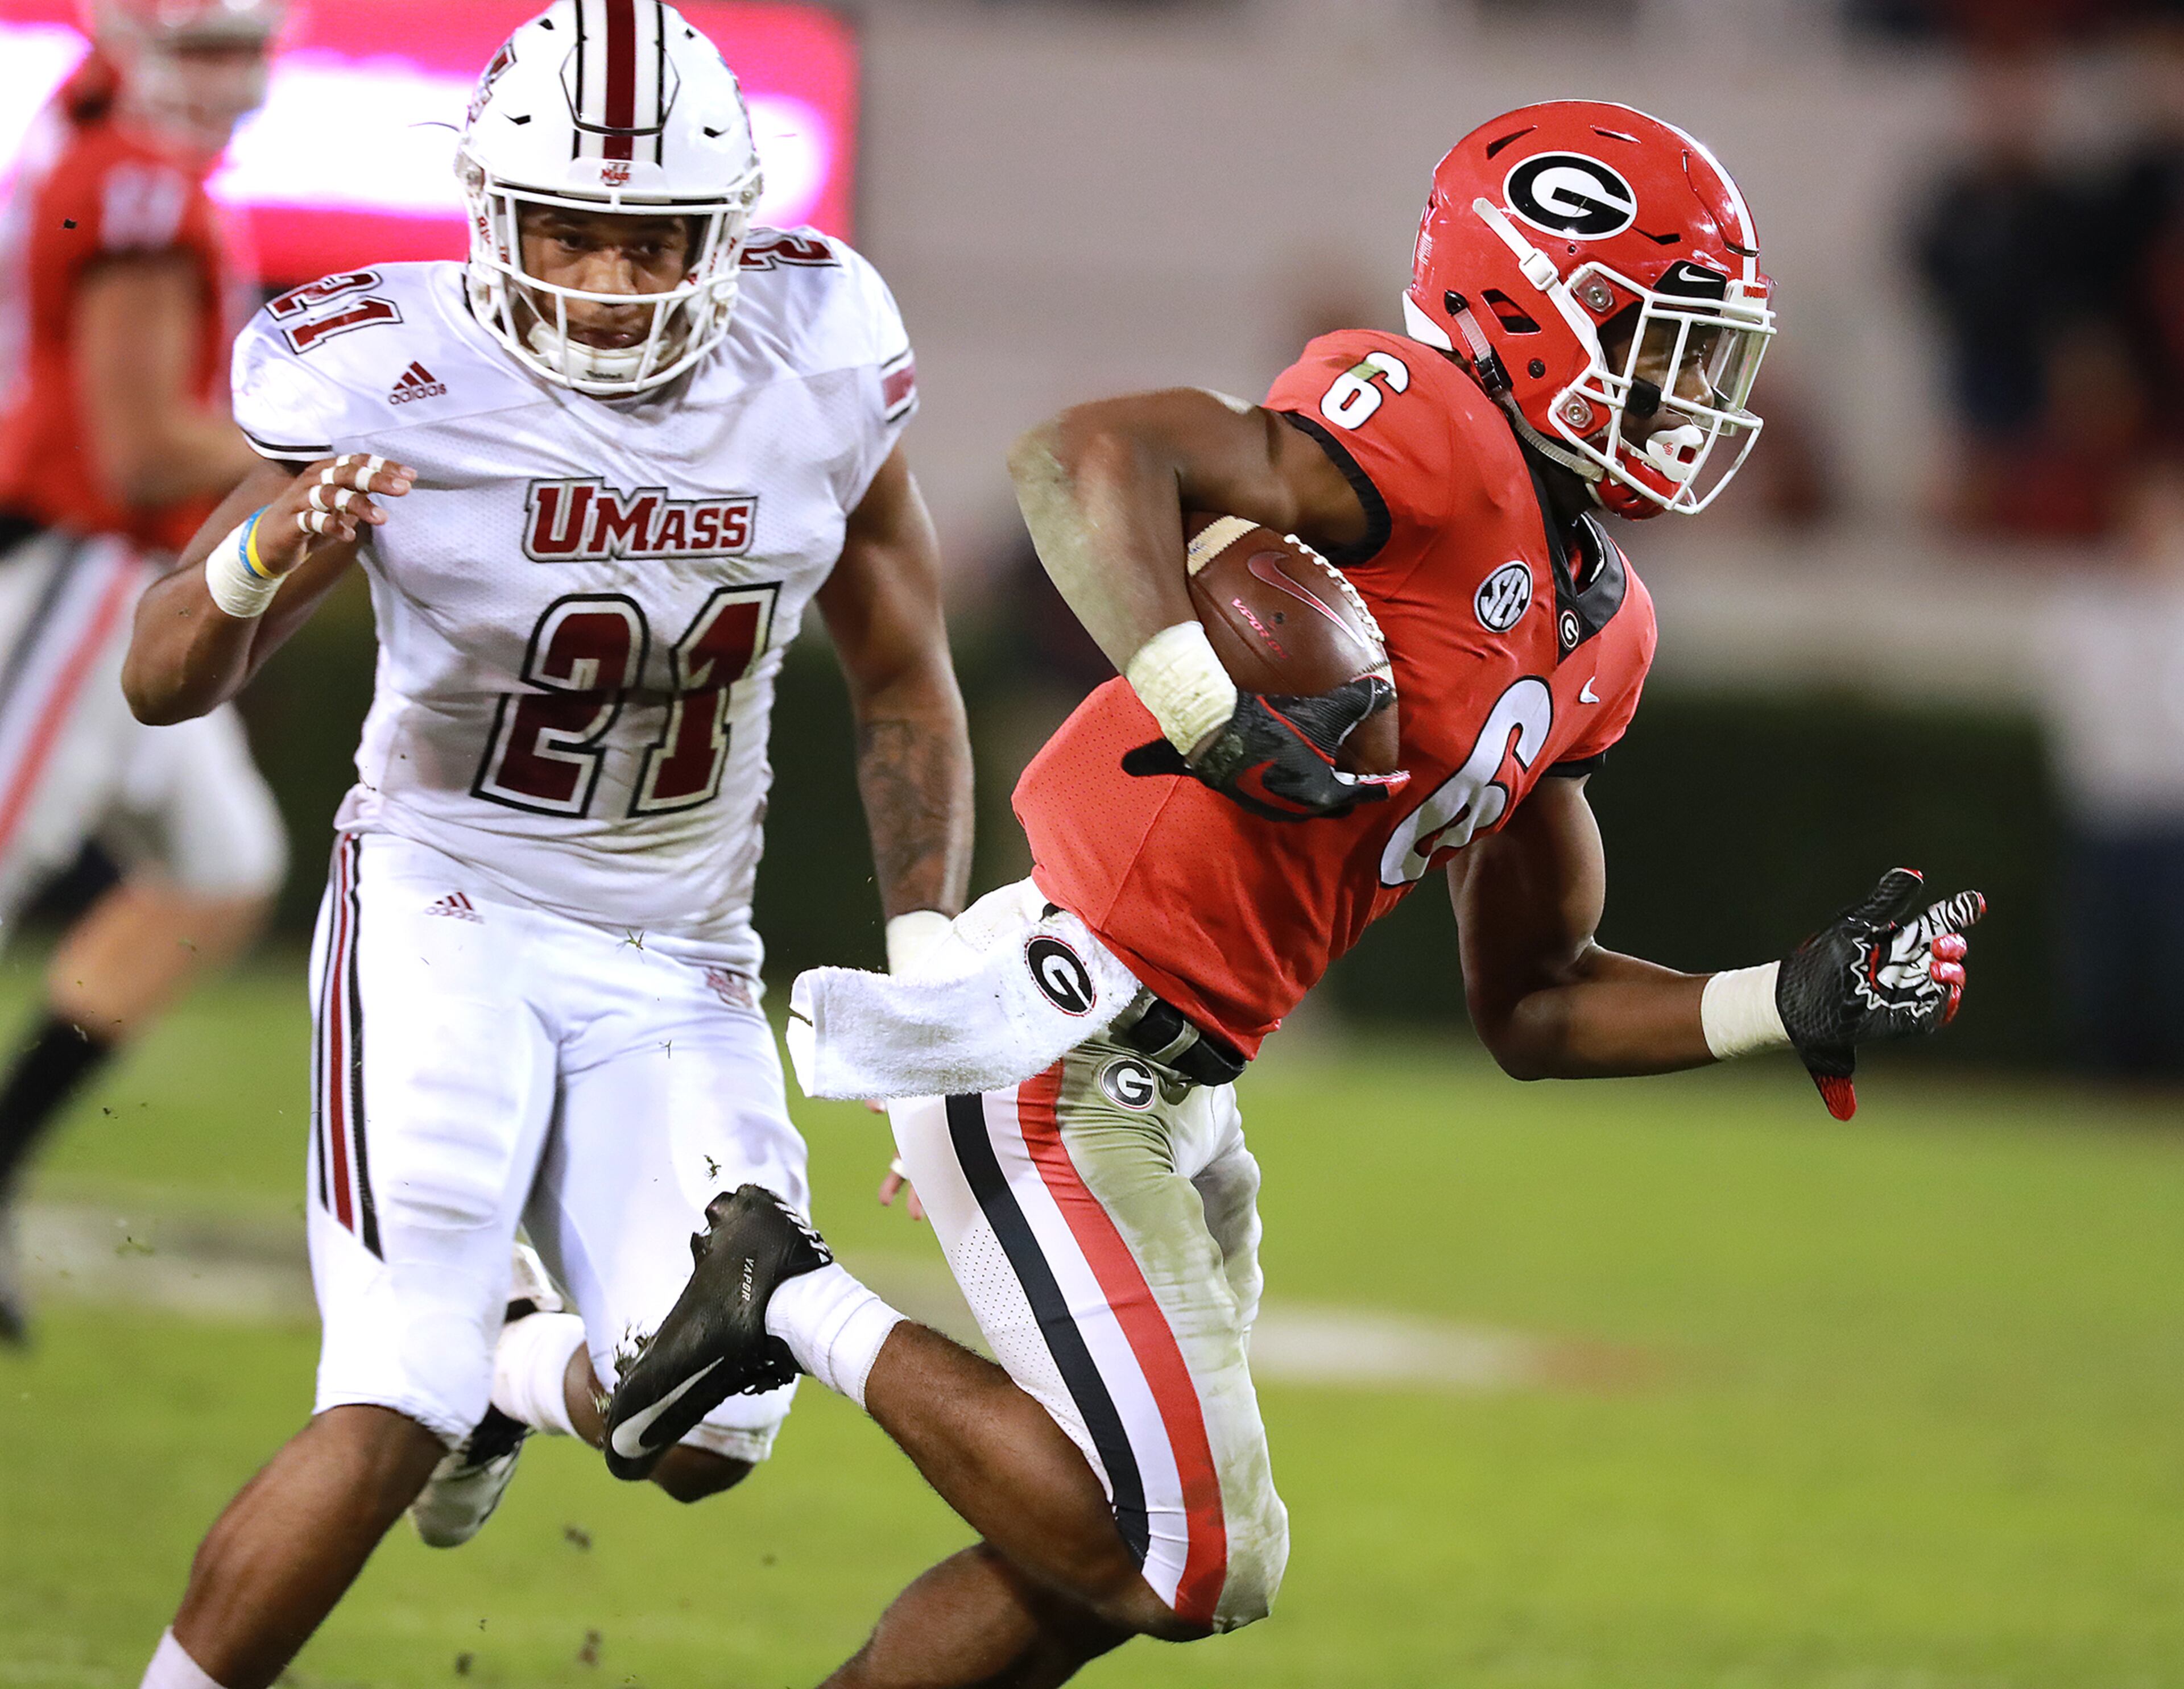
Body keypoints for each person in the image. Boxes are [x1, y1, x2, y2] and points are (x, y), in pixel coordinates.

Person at [606, 101, 1987, 1686]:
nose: (1688, 396)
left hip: (1187, 1086)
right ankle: (781, 1289)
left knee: (1084, 1561)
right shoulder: (1425, 426)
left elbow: (1535, 999)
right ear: (1527, 315)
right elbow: (1083, 453)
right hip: (1063, 1037)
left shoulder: (1604, 632)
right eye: (1657, 344)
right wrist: (1198, 694)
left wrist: (1783, 997)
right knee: (1191, 1552)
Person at [117, 3, 971, 1686]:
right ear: (488, 217)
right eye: (567, 231)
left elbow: (907, 680)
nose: (606, 279)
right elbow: (161, 676)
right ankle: (455, 1377)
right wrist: (256, 558)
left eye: (654, 241)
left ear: (729, 234)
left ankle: (525, 1357)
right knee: (388, 1394)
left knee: (715, 1430)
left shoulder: (815, 360)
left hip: (683, 946)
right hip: (447, 903)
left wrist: (927, 959)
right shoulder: (387, 373)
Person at [0, 0, 290, 1343]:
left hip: (121, 575)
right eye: (205, 44)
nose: (227, 77)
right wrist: (334, 433)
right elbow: (134, 450)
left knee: (219, 869)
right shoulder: (130, 185)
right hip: (75, 567)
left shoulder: (118, 161)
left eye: (244, 45)